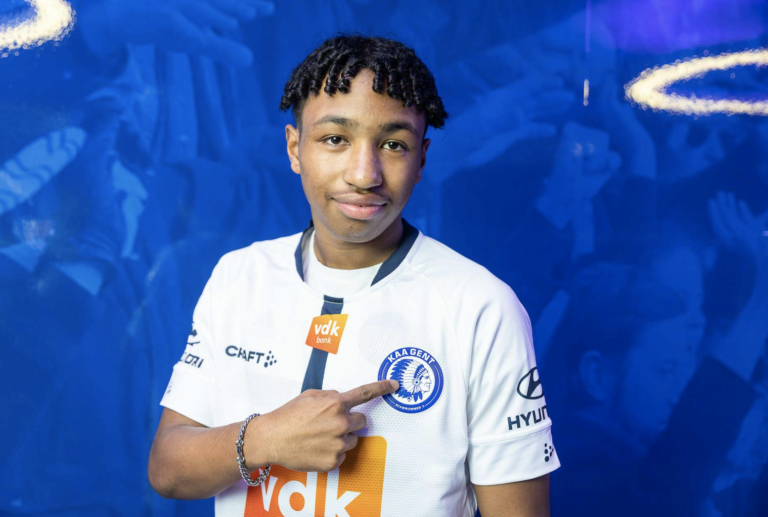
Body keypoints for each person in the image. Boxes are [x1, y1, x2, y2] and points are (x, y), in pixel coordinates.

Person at [148, 34, 560, 516]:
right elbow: (168, 469)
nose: (364, 174)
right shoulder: (239, 276)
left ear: (422, 159)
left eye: (393, 144)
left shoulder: (481, 307)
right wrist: (266, 437)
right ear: (294, 148)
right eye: (335, 139)